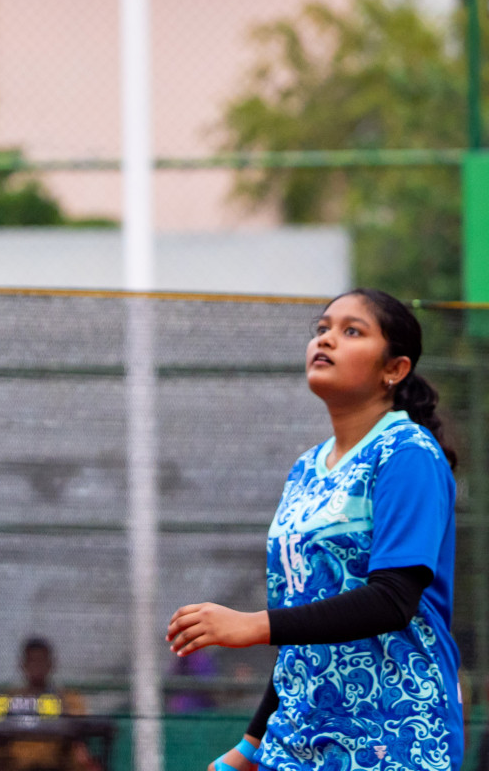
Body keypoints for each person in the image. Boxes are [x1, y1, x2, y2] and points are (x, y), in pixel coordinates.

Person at [166, 288, 460, 771]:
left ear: (395, 369)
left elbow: (393, 599)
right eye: (322, 329)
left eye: (351, 331)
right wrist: (249, 746)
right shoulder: (307, 469)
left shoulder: (407, 453)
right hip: (298, 738)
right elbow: (300, 618)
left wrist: (251, 625)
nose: (326, 340)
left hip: (393, 736)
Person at [0, 638, 95, 771]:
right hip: (17, 765)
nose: (37, 667)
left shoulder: (69, 697)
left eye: (42, 661)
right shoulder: (7, 697)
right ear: (22, 665)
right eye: (32, 661)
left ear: (51, 664)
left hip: (56, 765)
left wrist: (60, 705)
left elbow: (79, 725)